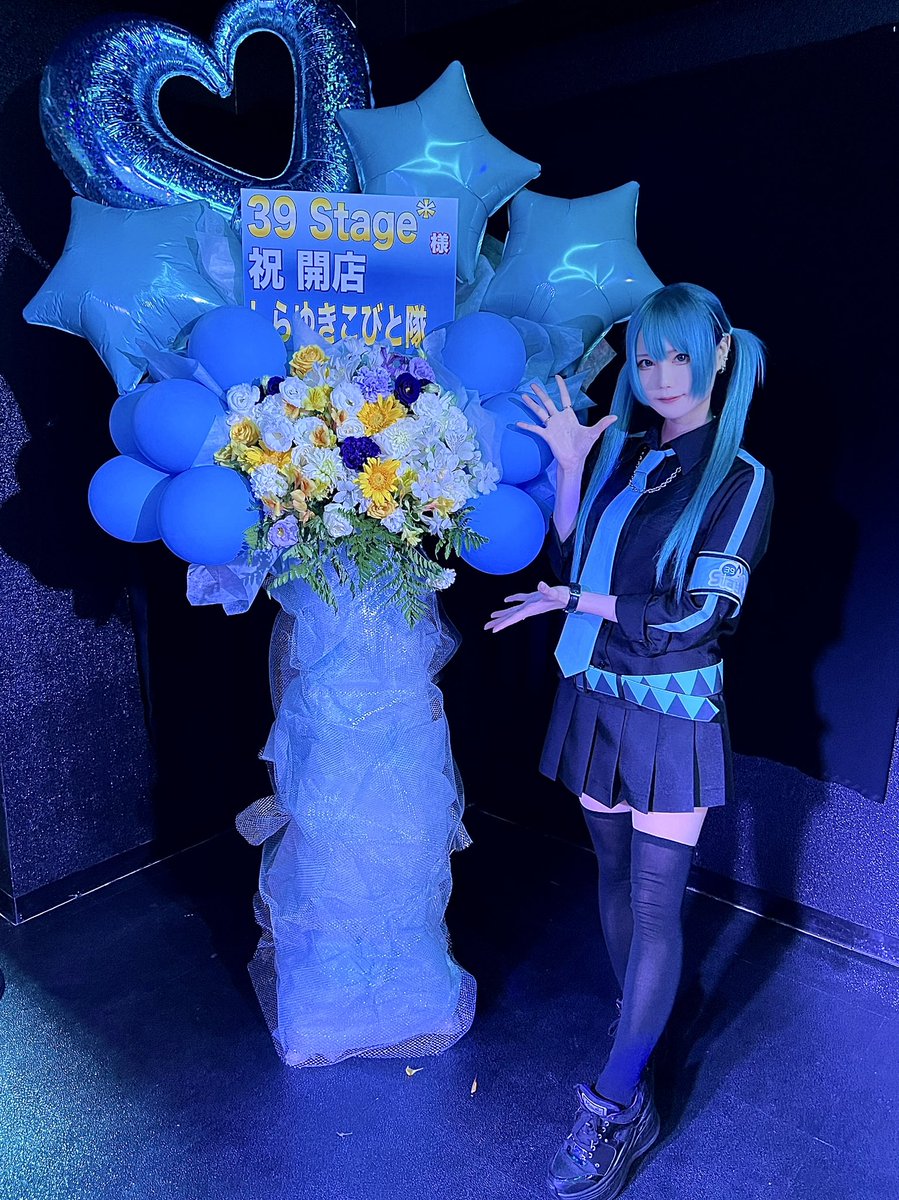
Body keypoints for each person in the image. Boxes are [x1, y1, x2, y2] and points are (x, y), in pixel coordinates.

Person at [485, 282, 773, 1200]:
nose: (661, 377)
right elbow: (572, 564)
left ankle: (615, 1103)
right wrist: (573, 467)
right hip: (593, 692)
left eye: (680, 356)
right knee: (609, 875)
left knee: (654, 902)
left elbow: (698, 615)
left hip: (670, 709)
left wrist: (577, 600)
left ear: (718, 355)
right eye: (646, 360)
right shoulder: (628, 452)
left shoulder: (740, 477)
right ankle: (639, 1032)